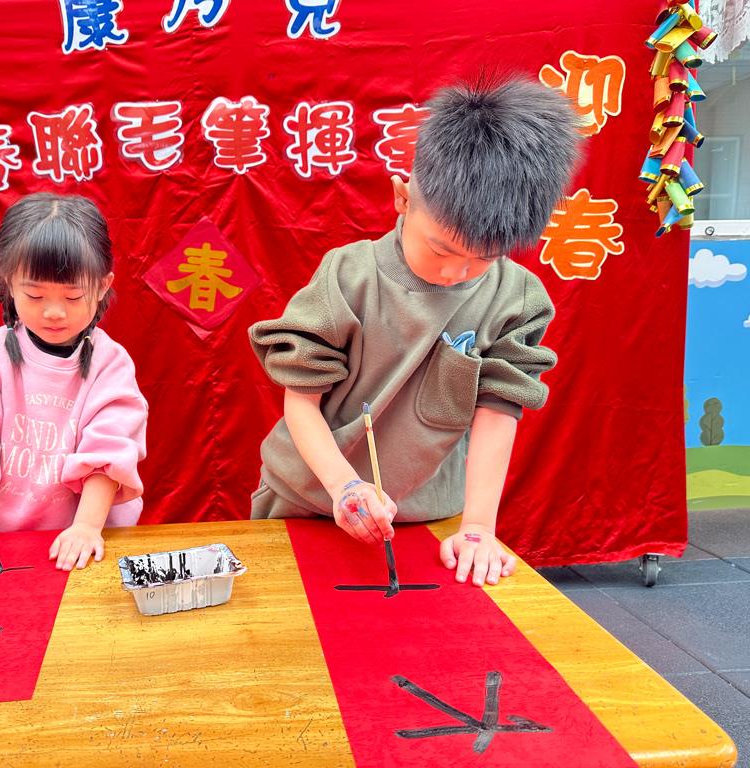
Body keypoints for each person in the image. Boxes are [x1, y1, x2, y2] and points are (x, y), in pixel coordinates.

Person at [248, 78, 580, 586]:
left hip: (432, 516)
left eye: (484, 258)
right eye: (442, 250)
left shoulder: (515, 296)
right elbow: (301, 401)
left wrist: (478, 528)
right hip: (307, 497)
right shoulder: (348, 276)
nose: (455, 273)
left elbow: (498, 412)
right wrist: (345, 488)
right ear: (402, 198)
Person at [0, 193, 148, 571]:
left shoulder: (110, 364)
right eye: (35, 295)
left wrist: (86, 527)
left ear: (103, 287)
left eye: (73, 296)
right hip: (2, 542)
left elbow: (109, 452)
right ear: (8, 283)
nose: (54, 312)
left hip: (88, 542)